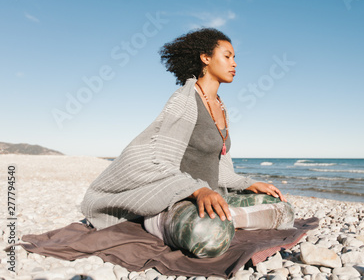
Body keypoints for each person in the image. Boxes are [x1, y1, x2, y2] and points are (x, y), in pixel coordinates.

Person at [81, 28, 295, 258]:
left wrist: (250, 183)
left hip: (212, 196)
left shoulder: (222, 108)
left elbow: (220, 169)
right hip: (174, 201)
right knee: (208, 235)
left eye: (235, 57)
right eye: (227, 56)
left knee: (284, 210)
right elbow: (156, 158)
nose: (234, 63)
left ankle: (228, 217)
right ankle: (213, 220)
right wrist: (196, 190)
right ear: (205, 58)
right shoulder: (184, 99)